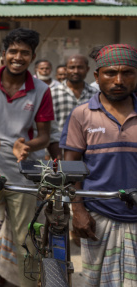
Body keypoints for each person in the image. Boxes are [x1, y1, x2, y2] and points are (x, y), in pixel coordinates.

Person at [0, 28, 54, 287]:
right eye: (13, 51)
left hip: (23, 174)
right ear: (3, 54)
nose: (18, 57)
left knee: (27, 243)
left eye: (25, 53)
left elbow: (45, 136)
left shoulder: (41, 90)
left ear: (33, 57)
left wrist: (27, 145)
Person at [61, 44, 137, 287]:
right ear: (97, 76)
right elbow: (71, 165)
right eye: (110, 73)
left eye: (127, 73)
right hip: (98, 216)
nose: (118, 80)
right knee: (96, 281)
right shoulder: (82, 114)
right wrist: (79, 211)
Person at [51, 54, 98, 136]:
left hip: (88, 144)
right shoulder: (53, 93)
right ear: (65, 70)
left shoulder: (95, 94)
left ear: (87, 69)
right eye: (72, 67)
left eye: (80, 67)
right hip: (60, 144)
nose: (76, 71)